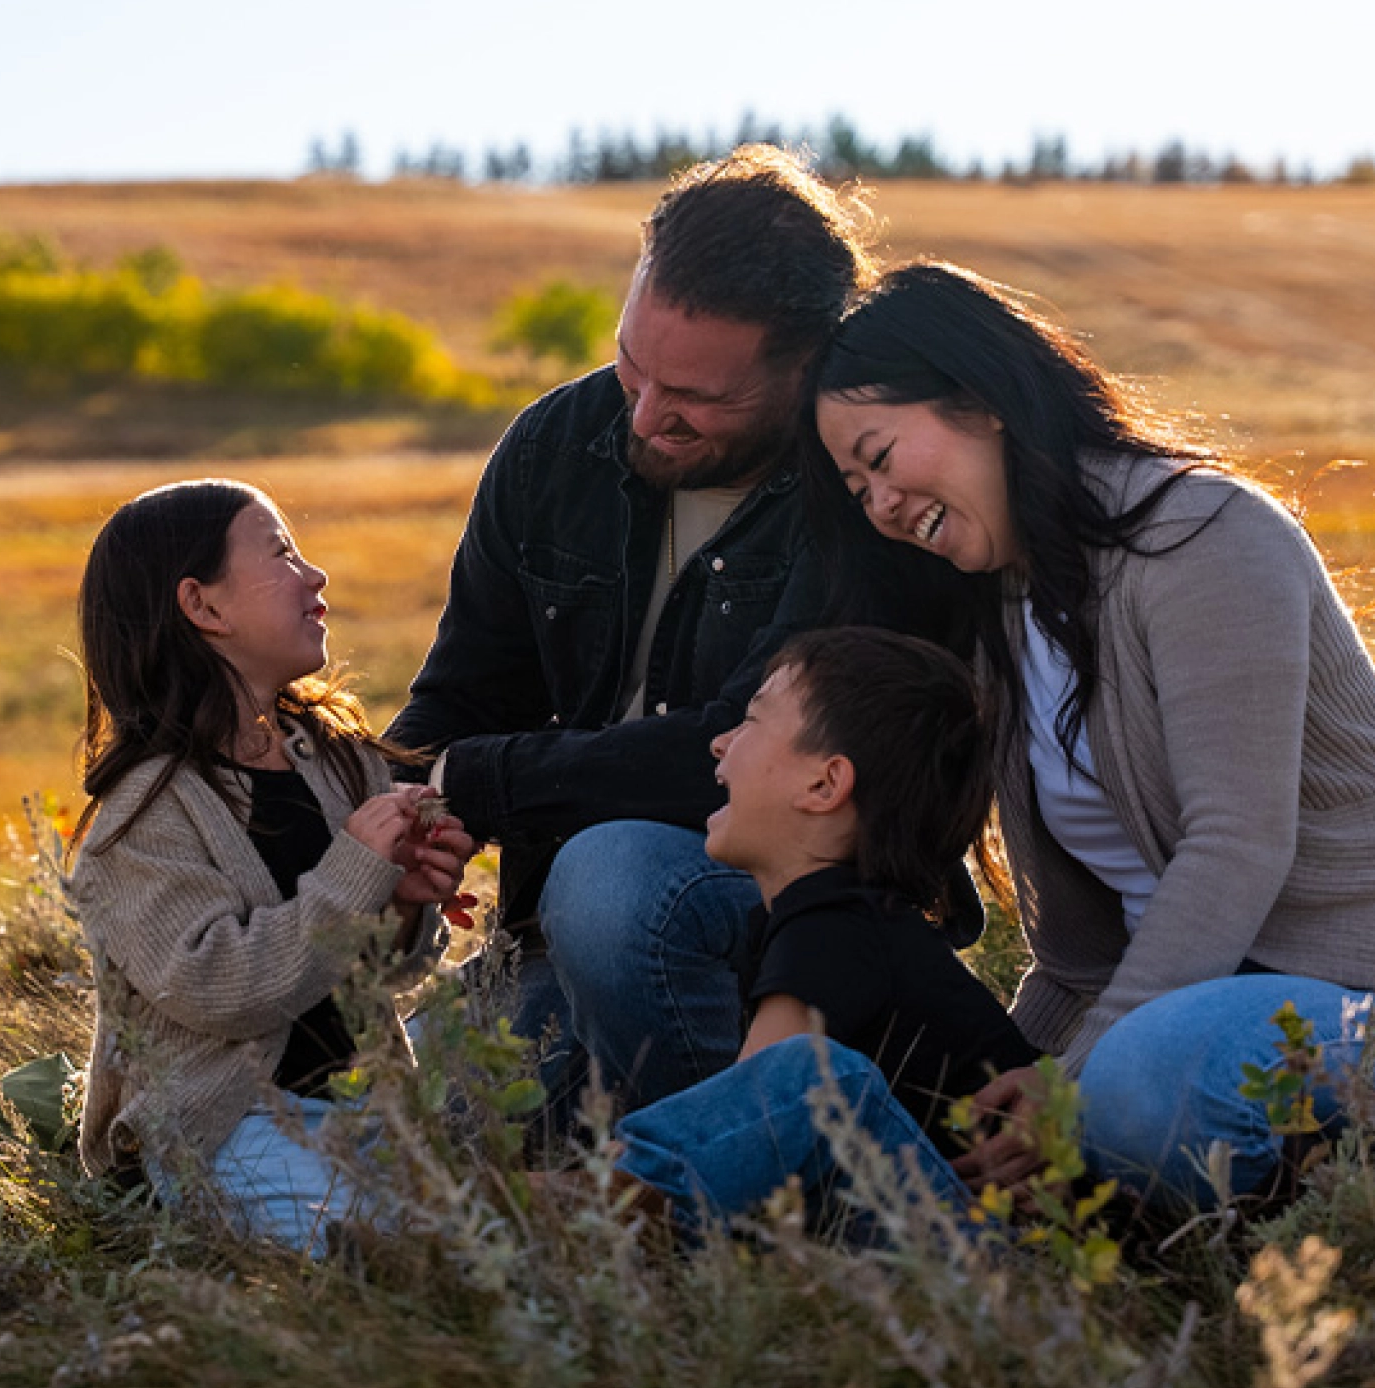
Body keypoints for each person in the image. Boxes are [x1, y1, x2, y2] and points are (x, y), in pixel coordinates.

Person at [809, 262, 1375, 1207]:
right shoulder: (1010, 608)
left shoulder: (1206, 533)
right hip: (1191, 1018)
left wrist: (1076, 1079)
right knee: (951, 1107)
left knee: (1137, 1085)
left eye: (881, 458)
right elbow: (1079, 961)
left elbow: (1237, 844)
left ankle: (1320, 1202)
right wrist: (1004, 1083)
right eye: (857, 490)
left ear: (980, 402)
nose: (882, 506)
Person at [388, 145, 971, 1118]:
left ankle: (754, 1168)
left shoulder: (865, 497)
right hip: (551, 935)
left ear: (807, 365)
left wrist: (479, 779)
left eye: (698, 398)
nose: (648, 415)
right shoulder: (553, 444)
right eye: (633, 365)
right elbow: (460, 696)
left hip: (794, 935)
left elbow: (728, 756)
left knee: (611, 878)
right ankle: (646, 1128)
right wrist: (399, 811)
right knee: (379, 1135)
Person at [68, 479, 477, 1256]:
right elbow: (220, 988)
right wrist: (355, 874)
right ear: (203, 606)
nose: (314, 574)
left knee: (480, 1239)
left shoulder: (336, 757)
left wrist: (401, 903)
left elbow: (380, 975)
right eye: (282, 553)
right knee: (363, 1249)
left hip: (369, 1105)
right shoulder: (143, 819)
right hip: (227, 1124)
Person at [605, 627, 1040, 1235]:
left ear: (825, 785)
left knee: (802, 1079)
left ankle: (596, 1201)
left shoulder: (833, 929)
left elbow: (750, 1120)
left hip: (999, 1255)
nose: (720, 742)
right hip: (948, 1240)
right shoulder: (845, 921)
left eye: (750, 722)